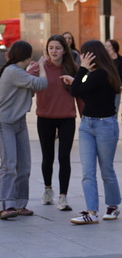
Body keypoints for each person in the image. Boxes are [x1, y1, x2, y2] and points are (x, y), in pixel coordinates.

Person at [67, 40, 122, 225]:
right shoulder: (97, 74)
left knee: (106, 169)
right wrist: (78, 78)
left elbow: (76, 91)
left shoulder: (101, 74)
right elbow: (87, 94)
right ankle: (91, 212)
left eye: (84, 54)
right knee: (88, 171)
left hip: (104, 125)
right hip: (87, 125)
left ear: (92, 55)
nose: (82, 58)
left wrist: (81, 70)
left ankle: (113, 206)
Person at [0, 41, 48, 220]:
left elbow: (30, 88)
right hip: (5, 123)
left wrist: (32, 70)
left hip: (19, 123)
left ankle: (20, 204)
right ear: (27, 56)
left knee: (24, 166)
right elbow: (42, 83)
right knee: (9, 165)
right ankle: (6, 205)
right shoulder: (13, 71)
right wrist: (41, 66)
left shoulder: (19, 72)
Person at [36, 34, 80, 212]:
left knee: (64, 157)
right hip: (45, 117)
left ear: (64, 50)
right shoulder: (39, 66)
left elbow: (79, 93)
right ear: (47, 49)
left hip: (66, 118)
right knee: (47, 157)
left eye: (58, 48)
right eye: (51, 48)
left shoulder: (72, 68)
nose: (54, 51)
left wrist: (85, 117)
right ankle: (48, 189)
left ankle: (63, 196)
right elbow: (25, 83)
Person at [105, 39, 122, 116]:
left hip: (116, 86)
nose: (106, 48)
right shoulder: (104, 59)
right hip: (106, 86)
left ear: (114, 47)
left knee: (115, 108)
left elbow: (121, 72)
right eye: (105, 46)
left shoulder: (120, 59)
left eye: (109, 46)